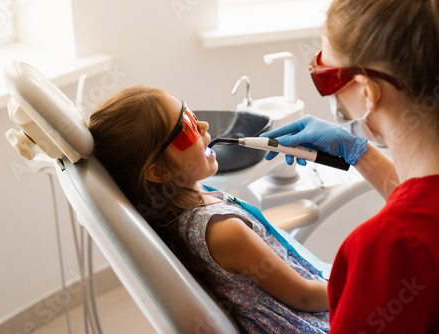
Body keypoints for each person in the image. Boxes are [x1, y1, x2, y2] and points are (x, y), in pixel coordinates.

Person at [262, 0, 439, 332]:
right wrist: (360, 153)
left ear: (368, 92)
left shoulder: (385, 249)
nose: (327, 94)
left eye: (325, 77)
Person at [88, 85, 331, 333]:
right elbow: (303, 297)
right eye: (187, 128)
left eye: (191, 114)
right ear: (159, 171)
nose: (203, 125)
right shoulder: (225, 230)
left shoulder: (178, 208)